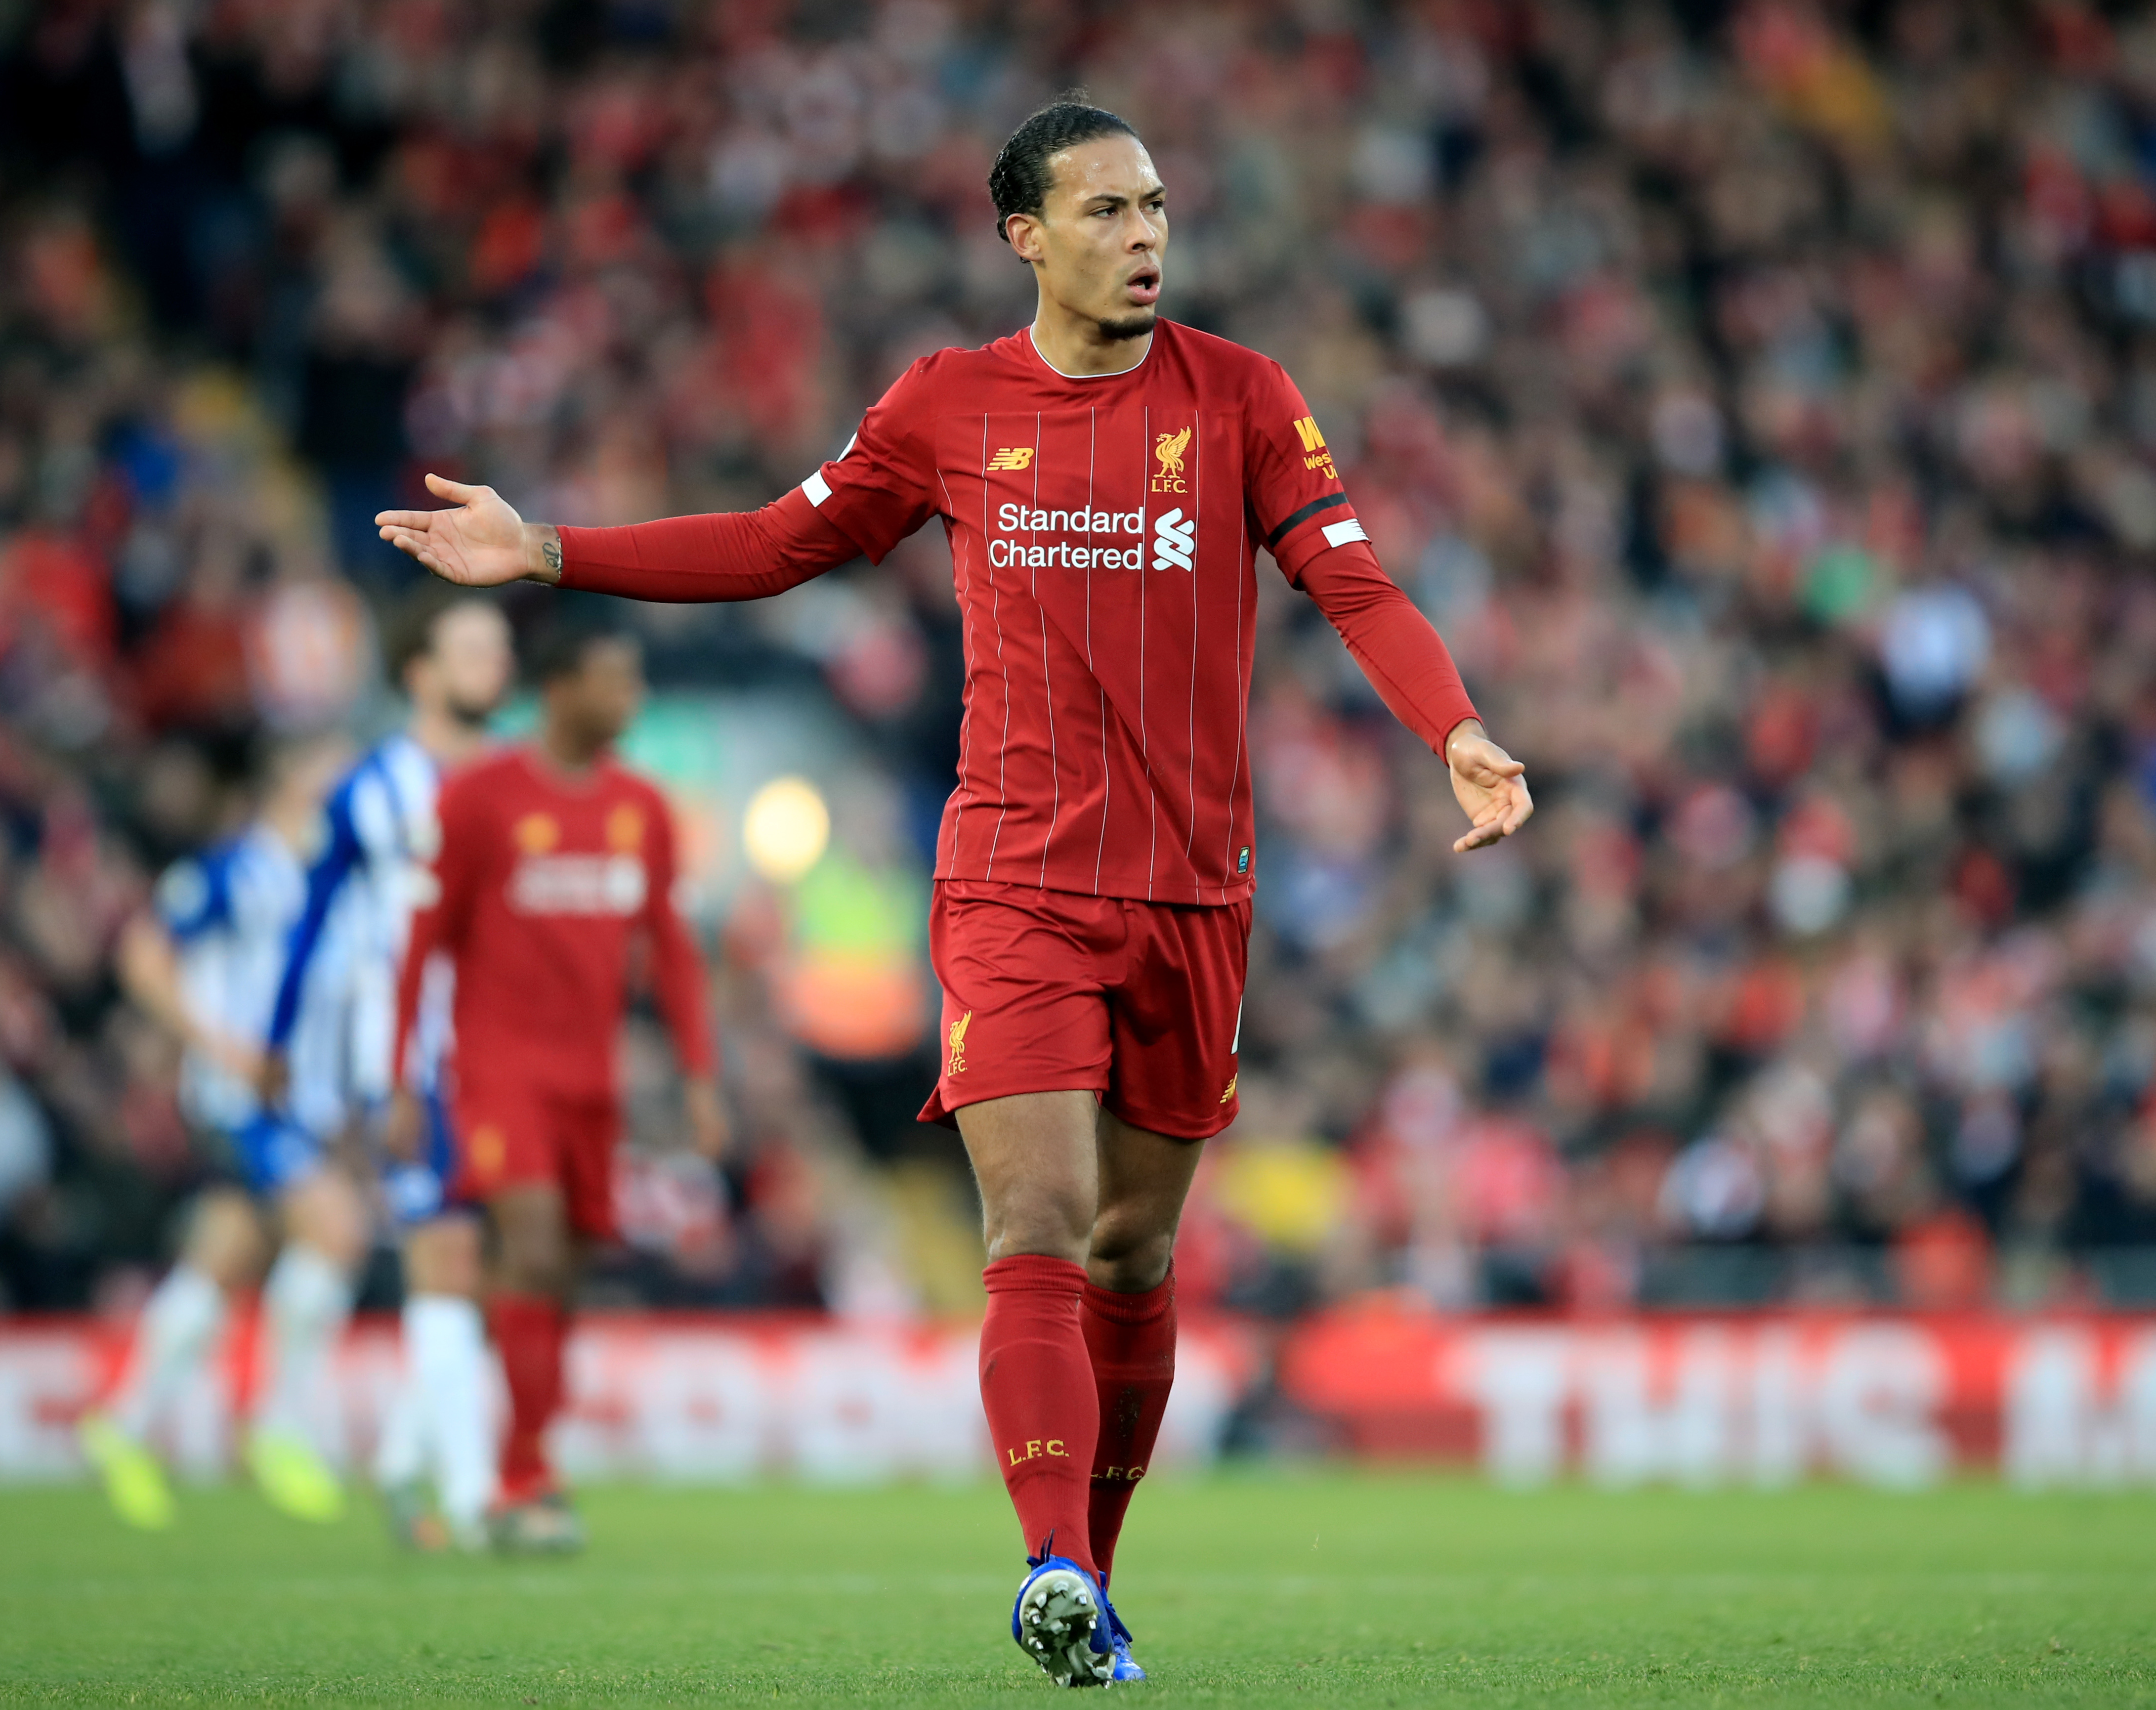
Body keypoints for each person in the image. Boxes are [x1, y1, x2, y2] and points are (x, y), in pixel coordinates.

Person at [375, 97, 1531, 1679]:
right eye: (1109, 212)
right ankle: (1047, 1556)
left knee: (1132, 1255)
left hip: (1195, 893)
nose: (1145, 238)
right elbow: (779, 543)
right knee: (1038, 1223)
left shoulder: (1245, 399)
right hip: (1013, 880)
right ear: (1025, 236)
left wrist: (1455, 727)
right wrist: (553, 550)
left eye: (1156, 209)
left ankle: (1091, 1580)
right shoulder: (949, 405)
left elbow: (1352, 577)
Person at [388, 620, 727, 1553]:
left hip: (593, 1080)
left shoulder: (642, 808)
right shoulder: (482, 798)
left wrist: (701, 1075)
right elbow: (422, 945)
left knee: (563, 1275)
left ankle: (510, 1457)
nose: (631, 700)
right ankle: (519, 1474)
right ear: (561, 688)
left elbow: (674, 953)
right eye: (614, 681)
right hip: (499, 1073)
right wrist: (400, 1082)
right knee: (530, 1249)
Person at [260, 590, 515, 1550]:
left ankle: (409, 1463)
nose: (494, 665)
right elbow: (310, 922)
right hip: (407, 1065)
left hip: (508, 1062)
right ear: (420, 671)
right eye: (472, 649)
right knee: (445, 1256)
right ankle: (477, 1491)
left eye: (499, 647)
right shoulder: (368, 791)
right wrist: (279, 1043)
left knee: (491, 1273)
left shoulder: (518, 780)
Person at [82, 734, 365, 1530]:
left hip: (302, 1100)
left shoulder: (336, 879)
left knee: (223, 1256)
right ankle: (278, 1423)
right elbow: (143, 954)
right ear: (286, 777)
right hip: (240, 1099)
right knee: (336, 1229)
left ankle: (126, 1423)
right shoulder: (236, 869)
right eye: (328, 767)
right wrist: (219, 1048)